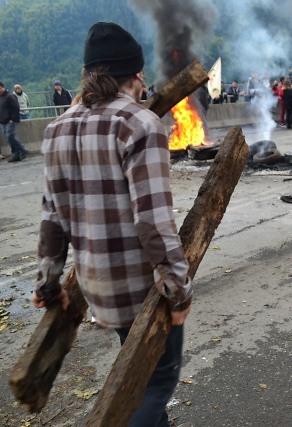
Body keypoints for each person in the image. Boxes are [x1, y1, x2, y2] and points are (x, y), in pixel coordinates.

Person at [33, 22, 192, 427]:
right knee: (153, 384)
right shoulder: (140, 124)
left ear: (88, 75)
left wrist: (48, 287)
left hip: (97, 289)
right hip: (142, 292)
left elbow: (52, 220)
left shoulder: (55, 130)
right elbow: (153, 223)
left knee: (135, 368)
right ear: (137, 75)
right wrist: (179, 292)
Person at [0, 81, 28, 162]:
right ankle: (16, 154)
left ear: (2, 87)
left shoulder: (10, 96)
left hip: (11, 120)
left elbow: (16, 107)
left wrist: (13, 118)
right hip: (3, 121)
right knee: (8, 138)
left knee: (10, 136)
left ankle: (22, 150)